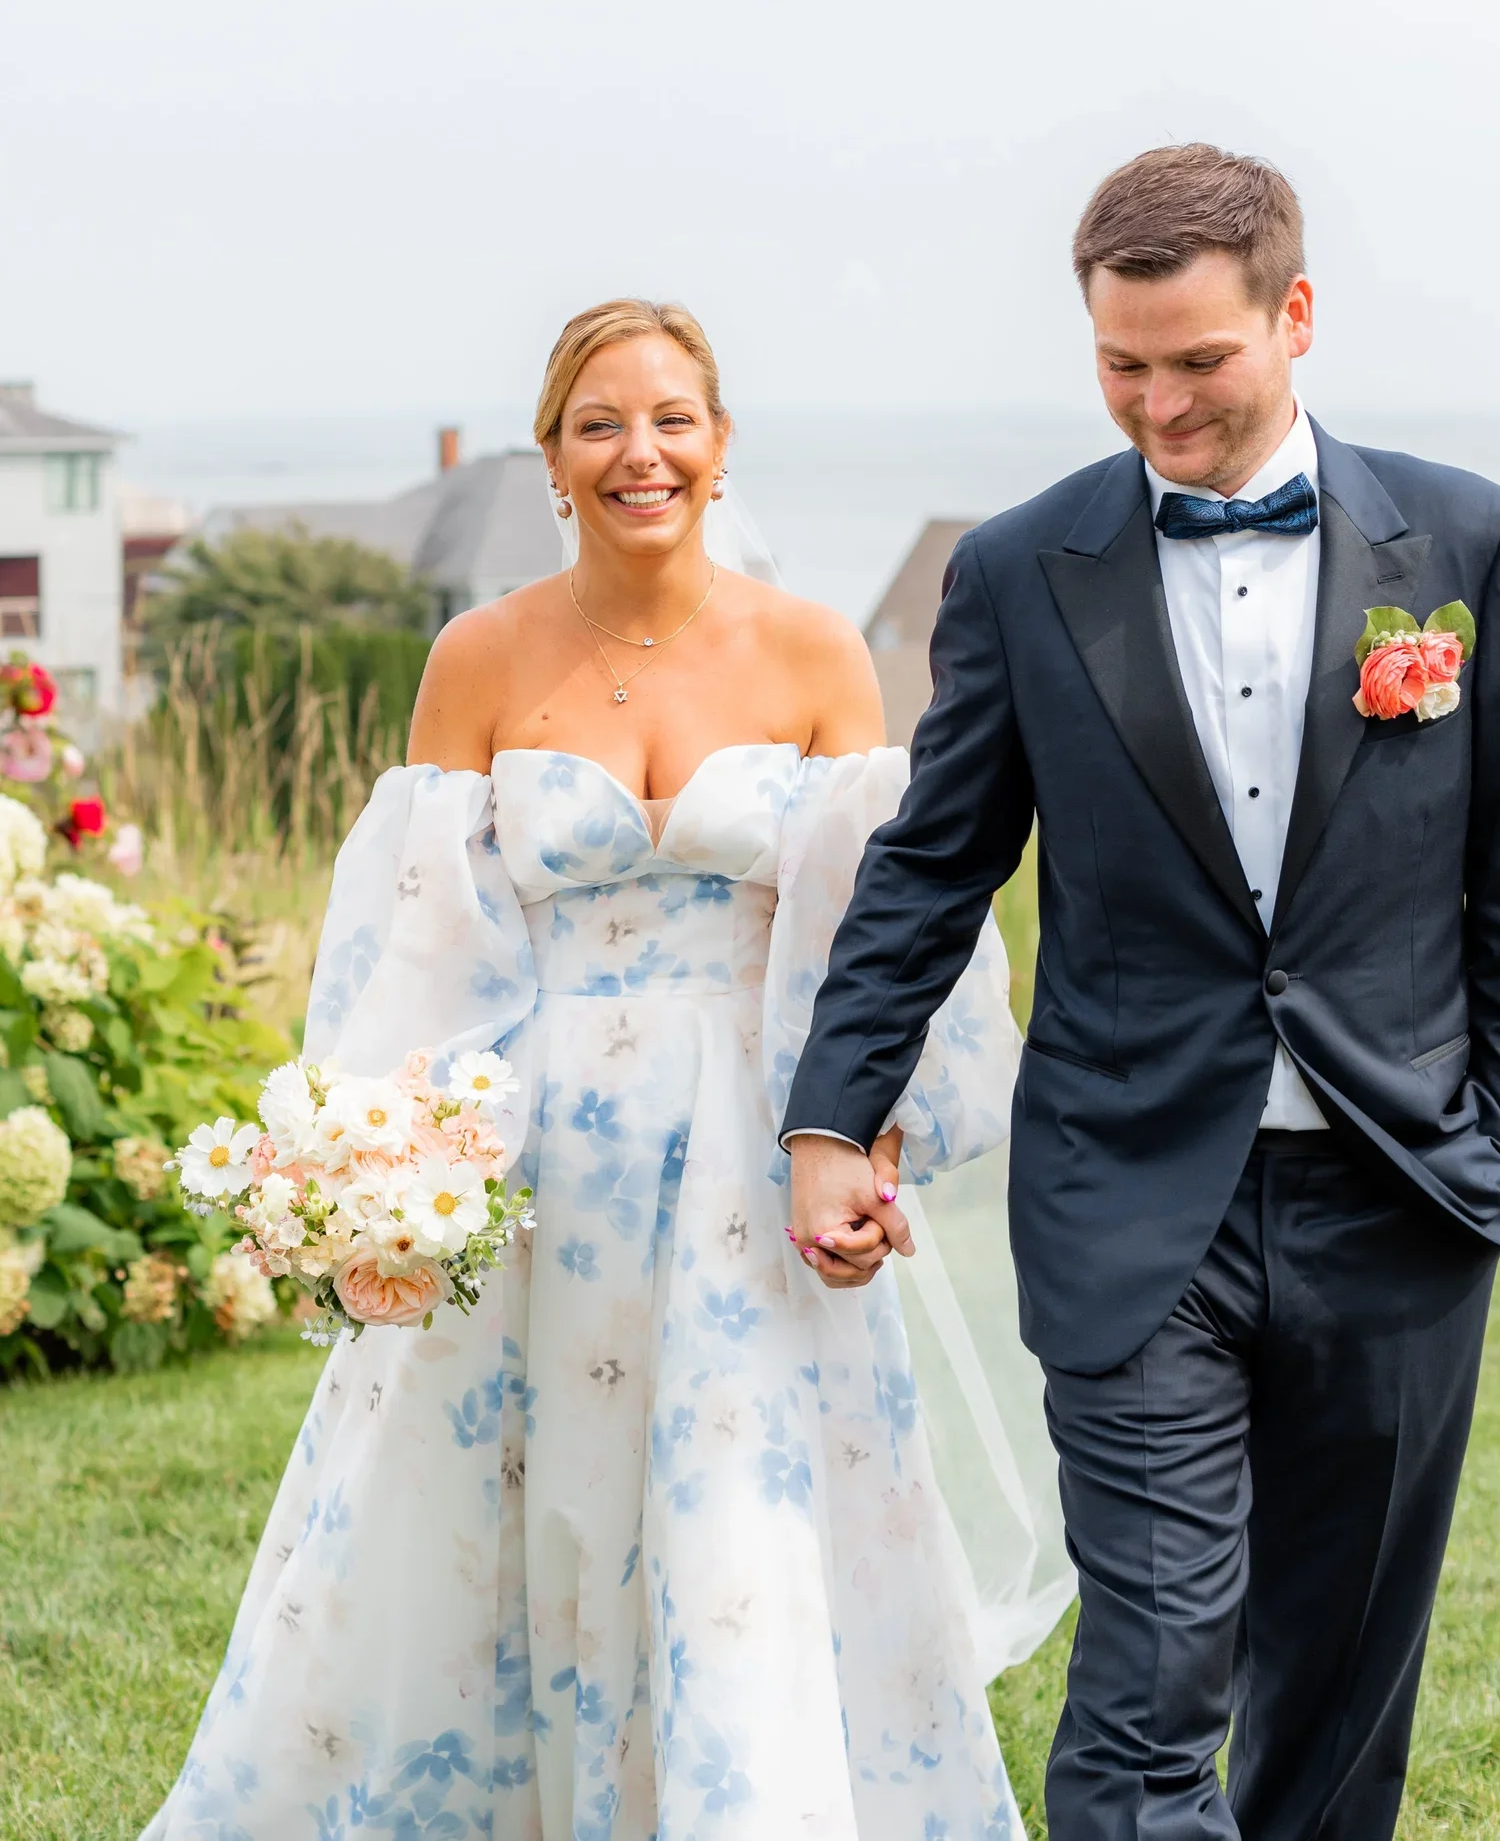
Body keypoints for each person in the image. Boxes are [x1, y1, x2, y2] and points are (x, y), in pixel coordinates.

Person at [142, 297, 1070, 1841]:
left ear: (719, 447)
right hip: (533, 1163)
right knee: (511, 1512)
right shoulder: (481, 654)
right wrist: (388, 1177)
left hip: (752, 1163)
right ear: (554, 460)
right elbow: (420, 945)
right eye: (601, 424)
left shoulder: (817, 651)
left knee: (735, 1524)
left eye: (673, 419)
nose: (642, 451)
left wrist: (868, 1143)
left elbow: (881, 933)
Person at [785, 143, 1500, 1841]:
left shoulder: (1465, 537)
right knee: (1155, 1668)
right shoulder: (1024, 567)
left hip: (1399, 1189)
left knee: (1339, 1693)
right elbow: (931, 867)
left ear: (1296, 313)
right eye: (1123, 366)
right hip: (1130, 1194)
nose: (1161, 406)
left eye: (1200, 362)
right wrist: (833, 1112)